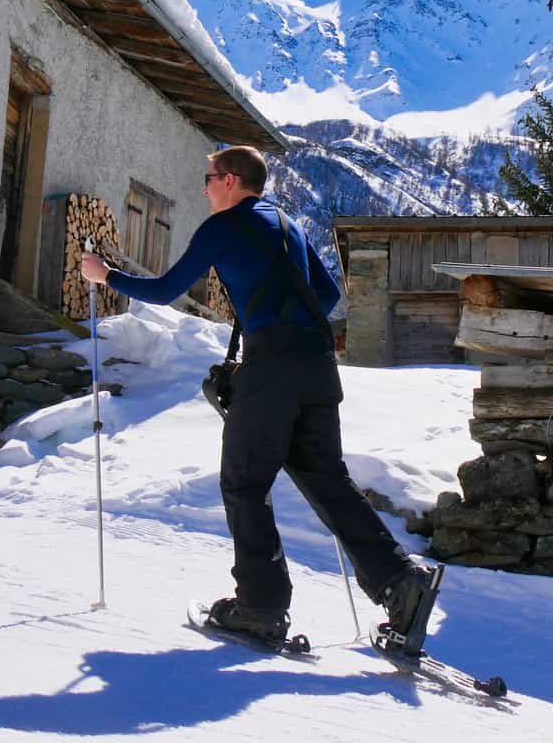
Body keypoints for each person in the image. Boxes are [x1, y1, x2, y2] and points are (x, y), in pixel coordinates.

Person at [81, 145, 435, 645]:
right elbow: (329, 296)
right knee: (326, 478)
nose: (204, 188)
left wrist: (106, 276)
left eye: (208, 179)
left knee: (245, 482)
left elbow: (165, 290)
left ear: (230, 180)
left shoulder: (223, 227)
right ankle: (402, 585)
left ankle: (261, 606)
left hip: (272, 366)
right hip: (317, 364)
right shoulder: (286, 224)